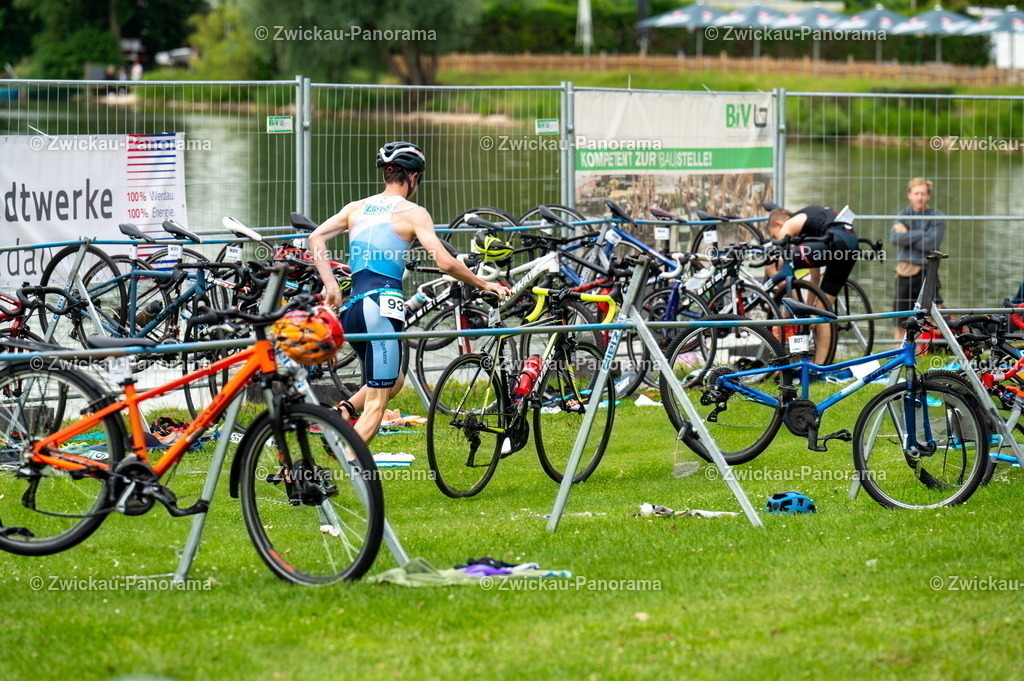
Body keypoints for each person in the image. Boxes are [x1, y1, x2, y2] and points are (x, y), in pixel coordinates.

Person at [309, 141, 510, 443]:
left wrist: (331, 286)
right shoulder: (414, 213)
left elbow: (316, 236)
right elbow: (444, 262)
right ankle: (339, 458)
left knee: (393, 380)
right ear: (414, 178)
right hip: (381, 311)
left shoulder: (356, 208)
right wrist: (485, 284)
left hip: (353, 313)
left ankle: (343, 413)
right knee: (378, 403)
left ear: (385, 176)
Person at [766, 205, 859, 364]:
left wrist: (796, 305)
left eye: (775, 235)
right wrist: (809, 310)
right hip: (850, 243)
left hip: (835, 241)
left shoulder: (789, 224)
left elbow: (784, 260)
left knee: (771, 263)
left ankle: (793, 307)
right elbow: (814, 277)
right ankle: (821, 366)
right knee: (822, 312)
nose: (778, 238)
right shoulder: (812, 229)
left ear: (778, 225)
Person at [891, 178, 946, 340]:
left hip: (928, 271)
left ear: (928, 196)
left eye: (923, 193)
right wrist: (922, 233)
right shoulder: (903, 214)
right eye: (916, 193)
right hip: (905, 272)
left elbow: (931, 243)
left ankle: (937, 348)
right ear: (909, 195)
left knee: (933, 315)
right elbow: (895, 239)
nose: (919, 197)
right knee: (901, 318)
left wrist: (907, 233)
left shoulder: (937, 216)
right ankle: (898, 352)